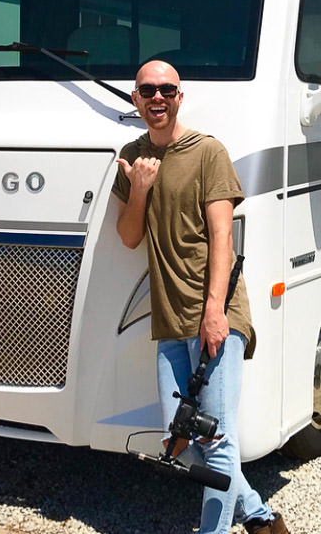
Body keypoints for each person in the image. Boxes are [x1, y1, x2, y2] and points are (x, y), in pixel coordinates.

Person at [112, 60, 288, 534]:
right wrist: (140, 190)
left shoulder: (208, 152)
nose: (157, 98)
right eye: (148, 90)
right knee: (182, 439)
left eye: (167, 89)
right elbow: (129, 236)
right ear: (135, 98)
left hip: (214, 314)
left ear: (179, 96)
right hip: (169, 320)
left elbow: (222, 238)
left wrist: (215, 314)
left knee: (219, 438)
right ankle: (260, 516)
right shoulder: (133, 157)